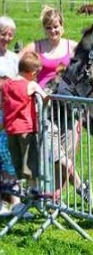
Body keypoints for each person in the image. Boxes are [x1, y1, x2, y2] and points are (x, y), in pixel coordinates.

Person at [19, 6, 93, 207]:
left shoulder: (72, 47)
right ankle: (80, 188)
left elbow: (87, 71)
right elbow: (18, 67)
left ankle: (57, 199)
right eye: (49, 27)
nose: (53, 31)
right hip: (44, 107)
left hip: (68, 109)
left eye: (56, 26)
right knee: (54, 154)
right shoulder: (36, 47)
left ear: (63, 26)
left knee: (66, 155)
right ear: (44, 29)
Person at [2, 52, 50, 198]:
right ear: (33, 72)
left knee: (16, 157)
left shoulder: (6, 85)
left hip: (10, 128)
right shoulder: (31, 85)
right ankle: (33, 188)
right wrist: (49, 95)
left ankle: (16, 187)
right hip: (26, 128)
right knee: (30, 158)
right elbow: (44, 97)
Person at [0, 15, 33, 218]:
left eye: (10, 35)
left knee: (8, 157)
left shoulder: (13, 59)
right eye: (3, 34)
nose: (7, 38)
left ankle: (15, 202)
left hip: (8, 116)